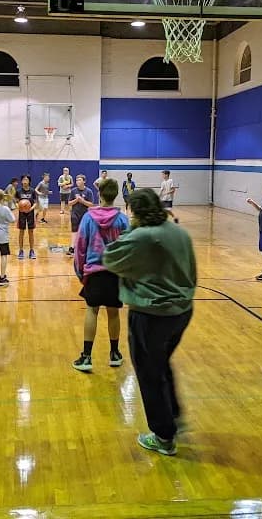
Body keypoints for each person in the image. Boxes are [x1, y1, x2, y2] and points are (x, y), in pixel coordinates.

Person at [102, 188, 196, 456]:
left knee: (148, 373)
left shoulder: (142, 236)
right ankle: (174, 414)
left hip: (151, 315)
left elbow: (111, 259)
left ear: (134, 211)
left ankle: (163, 435)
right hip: (181, 312)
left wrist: (131, 230)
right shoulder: (179, 231)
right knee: (161, 363)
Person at [72, 178, 130, 372]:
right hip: (115, 273)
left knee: (92, 310)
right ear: (116, 195)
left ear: (99, 194)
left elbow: (80, 247)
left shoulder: (88, 218)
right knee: (113, 313)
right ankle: (114, 353)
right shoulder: (122, 220)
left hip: (94, 272)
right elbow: (128, 248)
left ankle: (87, 356)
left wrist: (81, 272)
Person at [66, 174, 94, 256]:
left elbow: (91, 204)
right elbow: (69, 203)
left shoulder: (89, 191)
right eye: (77, 180)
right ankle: (72, 248)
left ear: (84, 181)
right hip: (75, 214)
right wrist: (76, 200)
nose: (77, 181)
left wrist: (82, 201)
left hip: (85, 215)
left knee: (84, 232)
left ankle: (85, 248)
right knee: (74, 231)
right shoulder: (73, 191)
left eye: (79, 180)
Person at [15, 174, 37, 260]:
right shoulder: (18, 191)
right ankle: (21, 250)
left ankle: (32, 251)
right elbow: (16, 202)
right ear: (21, 181)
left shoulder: (32, 191)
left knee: (31, 232)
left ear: (29, 181)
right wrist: (19, 207)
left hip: (30, 213)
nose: (25, 181)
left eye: (26, 179)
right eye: (23, 179)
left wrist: (30, 209)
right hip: (22, 213)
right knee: (21, 232)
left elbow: (35, 203)